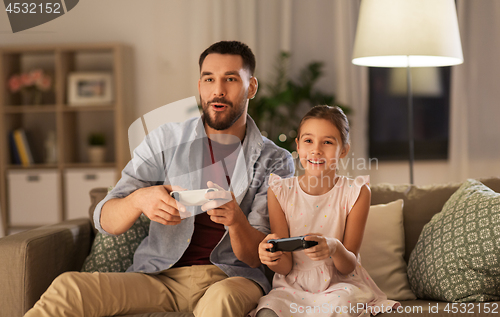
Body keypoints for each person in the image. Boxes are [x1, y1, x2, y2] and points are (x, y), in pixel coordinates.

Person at [24, 41, 295, 317]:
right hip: (158, 277)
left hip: (230, 279)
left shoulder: (275, 160)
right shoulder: (165, 140)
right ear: (199, 85)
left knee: (222, 301)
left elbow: (256, 257)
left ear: (251, 87)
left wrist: (236, 219)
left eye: (231, 79)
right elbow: (105, 219)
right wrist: (139, 200)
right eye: (209, 78)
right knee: (70, 287)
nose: (218, 90)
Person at [250, 106, 399, 317]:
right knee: (267, 310)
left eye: (327, 142)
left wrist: (334, 247)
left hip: (339, 286)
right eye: (308, 141)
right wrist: (271, 256)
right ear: (298, 146)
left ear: (344, 150)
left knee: (343, 302)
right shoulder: (280, 191)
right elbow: (284, 266)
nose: (316, 150)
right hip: (292, 288)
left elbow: (348, 266)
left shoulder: (356, 192)